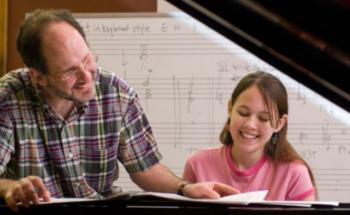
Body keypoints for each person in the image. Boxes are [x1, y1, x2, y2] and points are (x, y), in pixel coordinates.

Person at [0, 9, 239, 211]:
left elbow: (146, 169)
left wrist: (185, 188)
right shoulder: (8, 99)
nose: (87, 76)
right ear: (38, 77)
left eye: (87, 60)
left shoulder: (116, 93)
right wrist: (10, 186)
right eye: (69, 71)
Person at [183, 71, 317, 201]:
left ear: (280, 123)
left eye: (263, 118)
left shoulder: (295, 173)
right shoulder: (196, 163)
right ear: (230, 108)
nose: (250, 124)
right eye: (243, 113)